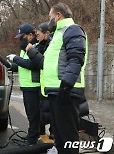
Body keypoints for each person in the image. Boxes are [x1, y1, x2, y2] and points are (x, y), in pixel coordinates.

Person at [42, 3, 88, 154]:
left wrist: (66, 85)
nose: (49, 21)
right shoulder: (59, 33)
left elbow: (76, 59)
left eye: (50, 17)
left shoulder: (72, 29)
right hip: (57, 90)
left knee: (68, 137)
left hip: (65, 90)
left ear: (58, 15)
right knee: (60, 135)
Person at [7, 24, 41, 146]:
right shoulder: (25, 49)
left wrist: (15, 59)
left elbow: (32, 64)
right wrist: (9, 65)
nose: (20, 40)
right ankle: (33, 135)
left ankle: (32, 140)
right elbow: (23, 66)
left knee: (33, 115)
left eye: (23, 37)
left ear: (30, 35)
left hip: (34, 85)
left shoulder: (36, 47)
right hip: (27, 86)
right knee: (32, 114)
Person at [25, 22, 55, 141]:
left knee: (52, 108)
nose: (36, 36)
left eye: (38, 34)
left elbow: (43, 63)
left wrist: (32, 52)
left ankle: (53, 132)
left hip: (51, 82)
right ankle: (41, 129)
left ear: (47, 33)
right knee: (43, 108)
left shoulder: (52, 45)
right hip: (42, 83)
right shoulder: (38, 45)